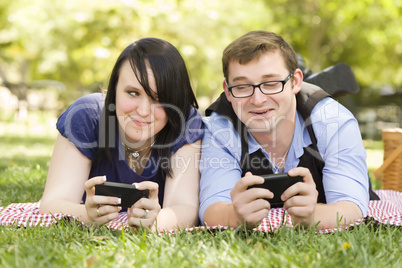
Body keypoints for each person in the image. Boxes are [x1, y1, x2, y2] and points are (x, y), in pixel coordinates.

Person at [199, 30, 377, 230]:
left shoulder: (334, 121)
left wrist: (313, 217)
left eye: (271, 83)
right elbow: (210, 208)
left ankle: (312, 79)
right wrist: (234, 216)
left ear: (296, 82)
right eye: (241, 87)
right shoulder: (219, 128)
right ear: (227, 91)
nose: (257, 100)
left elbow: (351, 208)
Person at [39, 37, 203, 232]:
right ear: (113, 89)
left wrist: (154, 223)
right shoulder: (85, 115)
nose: (143, 110)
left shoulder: (186, 122)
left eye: (160, 99)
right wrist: (87, 215)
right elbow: (52, 204)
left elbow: (185, 209)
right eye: (133, 93)